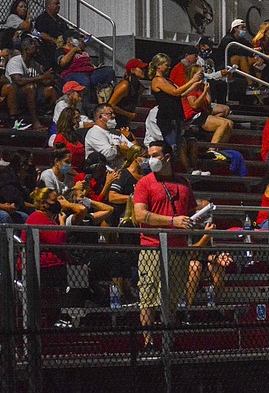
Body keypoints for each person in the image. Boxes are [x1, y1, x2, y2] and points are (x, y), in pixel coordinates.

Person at [133, 141, 205, 352]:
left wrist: (198, 217)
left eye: (156, 154)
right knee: (148, 296)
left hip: (177, 247)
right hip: (152, 247)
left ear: (167, 157)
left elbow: (189, 210)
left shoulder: (183, 183)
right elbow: (140, 215)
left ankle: (167, 339)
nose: (152, 159)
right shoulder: (145, 183)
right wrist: (172, 221)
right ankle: (148, 342)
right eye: (150, 155)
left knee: (172, 298)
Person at [149, 53, 202, 153]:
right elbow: (175, 92)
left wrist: (195, 84)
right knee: (171, 146)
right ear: (158, 65)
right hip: (167, 117)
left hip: (176, 116)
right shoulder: (157, 80)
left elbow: (181, 94)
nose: (168, 67)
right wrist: (192, 81)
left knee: (177, 147)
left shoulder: (167, 80)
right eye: (166, 65)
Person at [4, 35, 58, 129]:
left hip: (33, 93)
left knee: (51, 90)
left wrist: (49, 78)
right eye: (34, 48)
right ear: (26, 50)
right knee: (31, 87)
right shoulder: (15, 61)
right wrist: (42, 77)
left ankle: (50, 116)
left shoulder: (34, 63)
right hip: (15, 94)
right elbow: (19, 81)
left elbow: (41, 80)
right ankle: (35, 122)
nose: (37, 50)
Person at [55, 35, 115, 103]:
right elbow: (62, 62)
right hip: (72, 73)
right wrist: (73, 50)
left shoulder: (83, 51)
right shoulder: (61, 51)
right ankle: (87, 107)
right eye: (80, 40)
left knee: (109, 72)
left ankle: (109, 101)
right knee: (84, 81)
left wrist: (96, 67)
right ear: (70, 41)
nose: (83, 41)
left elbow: (87, 63)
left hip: (89, 72)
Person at [84, 103, 130, 169]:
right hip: (105, 172)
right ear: (100, 116)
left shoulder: (115, 132)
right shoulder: (94, 133)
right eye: (110, 114)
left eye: (113, 113)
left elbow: (133, 148)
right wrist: (121, 149)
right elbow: (109, 154)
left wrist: (118, 149)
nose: (114, 116)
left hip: (120, 170)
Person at [33, 0, 72, 68]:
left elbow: (67, 32)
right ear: (48, 5)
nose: (58, 6)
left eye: (59, 4)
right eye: (56, 4)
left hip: (63, 48)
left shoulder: (61, 21)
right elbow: (41, 34)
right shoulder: (42, 19)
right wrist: (56, 41)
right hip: (48, 49)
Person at [108, 59, 148, 129]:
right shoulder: (124, 85)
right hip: (112, 121)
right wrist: (128, 114)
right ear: (132, 70)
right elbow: (110, 105)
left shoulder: (139, 87)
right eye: (141, 68)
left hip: (124, 122)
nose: (144, 70)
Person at [54, 106, 87, 171]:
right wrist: (78, 175)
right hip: (67, 174)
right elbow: (60, 164)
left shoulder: (78, 137)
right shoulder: (60, 138)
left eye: (79, 117)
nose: (79, 120)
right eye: (76, 118)